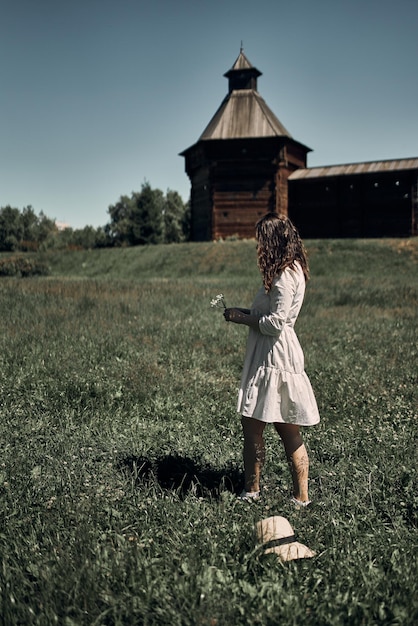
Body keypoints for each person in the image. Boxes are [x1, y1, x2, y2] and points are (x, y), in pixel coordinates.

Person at [223, 212, 320, 506]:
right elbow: (272, 316)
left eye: (262, 241)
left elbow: (276, 323)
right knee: (285, 428)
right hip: (277, 353)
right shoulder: (293, 270)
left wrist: (242, 319)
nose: (259, 247)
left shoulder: (282, 276)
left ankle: (253, 492)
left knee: (256, 423)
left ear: (274, 241)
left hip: (273, 355)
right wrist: (244, 312)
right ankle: (298, 497)